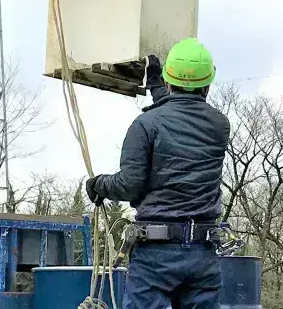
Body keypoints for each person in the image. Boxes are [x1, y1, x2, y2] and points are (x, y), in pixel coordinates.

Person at [85, 37, 231, 309]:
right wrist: (158, 89)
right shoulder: (219, 125)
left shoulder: (145, 125)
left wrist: (98, 185)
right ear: (208, 84)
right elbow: (184, 117)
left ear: (168, 81)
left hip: (156, 256)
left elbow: (129, 185)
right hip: (202, 254)